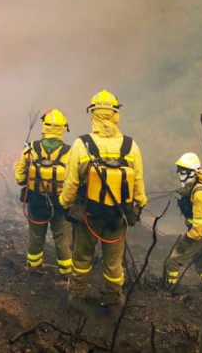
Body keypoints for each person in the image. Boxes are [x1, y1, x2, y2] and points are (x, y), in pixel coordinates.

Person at [59, 90, 147, 309]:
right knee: (114, 264)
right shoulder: (131, 146)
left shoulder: (82, 145)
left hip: (89, 215)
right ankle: (113, 300)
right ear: (116, 114)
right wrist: (139, 205)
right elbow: (138, 184)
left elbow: (71, 184)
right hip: (118, 217)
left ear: (93, 114)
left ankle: (77, 298)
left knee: (81, 260)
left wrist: (64, 204)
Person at [13, 109, 73, 276]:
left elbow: (19, 177)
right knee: (62, 238)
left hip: (36, 203)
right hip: (61, 205)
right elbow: (75, 181)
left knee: (36, 236)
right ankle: (66, 274)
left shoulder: (31, 148)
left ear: (44, 127)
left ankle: (33, 267)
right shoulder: (71, 152)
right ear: (63, 128)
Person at [165, 152, 202, 292]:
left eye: (184, 170)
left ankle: (168, 288)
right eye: (179, 170)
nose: (180, 173)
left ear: (193, 172)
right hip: (201, 233)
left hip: (198, 234)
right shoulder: (194, 188)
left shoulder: (199, 194)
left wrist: (186, 240)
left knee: (174, 260)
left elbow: (200, 226)